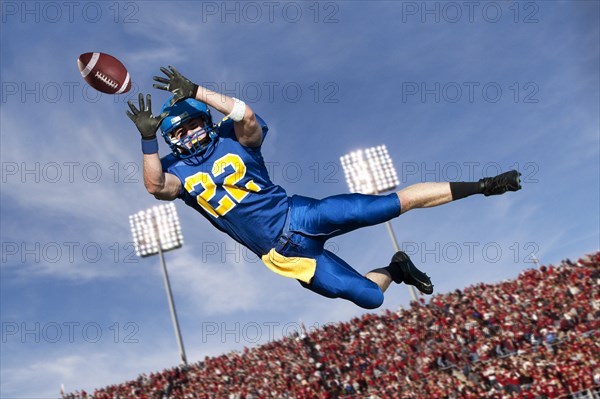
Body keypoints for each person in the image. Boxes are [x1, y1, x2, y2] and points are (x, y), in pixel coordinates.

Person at [126, 66, 522, 309]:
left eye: (194, 123)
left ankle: (484, 185)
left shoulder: (231, 136)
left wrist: (198, 91)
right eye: (180, 131)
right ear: (170, 139)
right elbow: (154, 186)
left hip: (299, 215)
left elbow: (245, 115)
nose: (190, 134)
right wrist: (147, 141)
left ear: (206, 120)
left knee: (387, 205)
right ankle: (396, 269)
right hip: (282, 256)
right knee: (371, 298)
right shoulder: (172, 167)